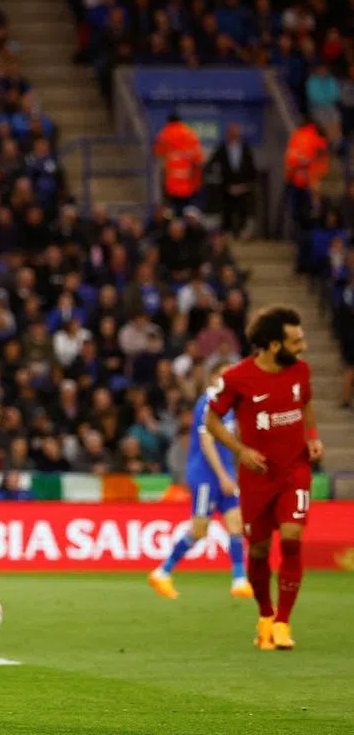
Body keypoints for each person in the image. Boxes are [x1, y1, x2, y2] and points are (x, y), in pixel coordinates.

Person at [204, 306, 323, 651]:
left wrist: (312, 435)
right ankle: (266, 616)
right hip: (257, 477)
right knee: (258, 550)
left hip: (294, 471)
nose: (303, 347)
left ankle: (284, 623)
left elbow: (306, 405)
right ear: (273, 345)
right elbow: (212, 422)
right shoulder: (238, 378)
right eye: (296, 341)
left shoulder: (300, 371)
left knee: (291, 539)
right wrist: (241, 450)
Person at [148, 363, 252, 599]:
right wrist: (223, 476)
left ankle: (239, 580)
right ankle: (162, 572)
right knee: (199, 529)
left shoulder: (229, 404)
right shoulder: (207, 404)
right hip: (206, 475)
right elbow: (206, 444)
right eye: (225, 375)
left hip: (224, 472)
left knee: (236, 523)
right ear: (213, 378)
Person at [205, 124, 256, 237]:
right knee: (227, 211)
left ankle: (242, 235)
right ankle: (227, 234)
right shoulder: (221, 148)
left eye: (236, 133)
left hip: (243, 188)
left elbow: (251, 168)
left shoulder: (246, 148)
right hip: (227, 188)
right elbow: (210, 164)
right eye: (232, 133)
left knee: (243, 211)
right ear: (227, 134)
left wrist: (246, 185)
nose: (234, 136)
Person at [154, 113, 204, 212]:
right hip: (188, 181)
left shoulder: (165, 133)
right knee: (187, 209)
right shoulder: (190, 133)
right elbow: (198, 159)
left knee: (173, 210)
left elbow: (158, 153)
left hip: (171, 181)